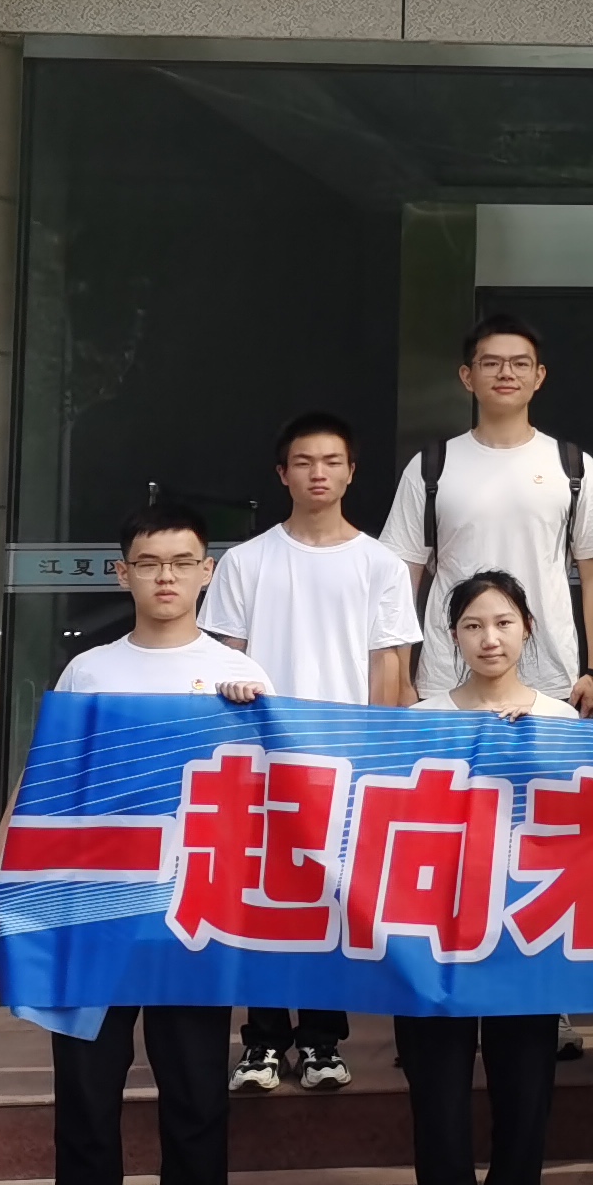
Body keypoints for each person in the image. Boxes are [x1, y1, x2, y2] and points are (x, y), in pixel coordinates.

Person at [0, 501, 260, 1185]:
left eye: (182, 561)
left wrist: (254, 714)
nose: (166, 576)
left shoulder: (240, 672)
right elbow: (44, 779)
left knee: (195, 1086)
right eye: (149, 562)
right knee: (86, 1087)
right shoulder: (90, 671)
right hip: (89, 907)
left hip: (191, 911)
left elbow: (283, 792)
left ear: (208, 573)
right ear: (122, 573)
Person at [200, 410, 412, 1094]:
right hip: (262, 759)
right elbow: (222, 657)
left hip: (345, 760)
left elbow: (388, 664)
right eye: (303, 462)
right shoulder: (247, 561)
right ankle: (262, 1042)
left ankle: (322, 1041)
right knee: (263, 897)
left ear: (351, 472)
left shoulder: (380, 564)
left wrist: (377, 752)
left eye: (331, 461)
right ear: (282, 473)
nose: (318, 473)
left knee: (329, 899)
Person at [400, 570, 575, 1185]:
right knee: (436, 1098)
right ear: (453, 637)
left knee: (522, 1095)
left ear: (528, 628)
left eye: (503, 623)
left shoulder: (561, 719)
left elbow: (585, 826)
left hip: (524, 940)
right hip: (432, 941)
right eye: (473, 626)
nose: (490, 639)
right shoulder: (421, 719)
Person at [383, 314, 593, 714]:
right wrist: (401, 678)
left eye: (520, 363)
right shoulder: (431, 466)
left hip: (548, 675)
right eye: (491, 363)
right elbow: (401, 573)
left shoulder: (573, 467)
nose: (506, 373)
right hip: (447, 677)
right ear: (467, 376)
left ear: (539, 376)